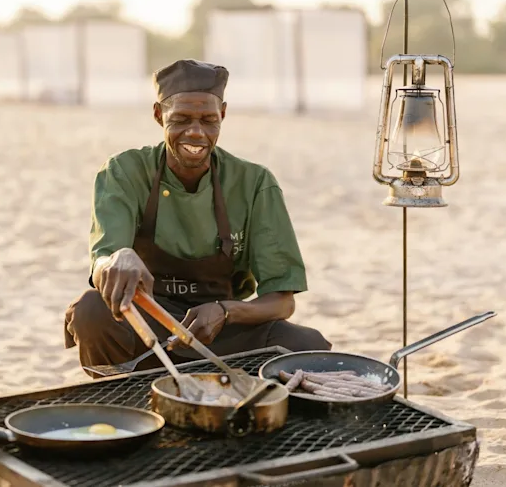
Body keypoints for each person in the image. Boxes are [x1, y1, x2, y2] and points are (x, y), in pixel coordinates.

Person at [64, 59, 331, 376]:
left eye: (208, 120)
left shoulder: (254, 183)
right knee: (90, 310)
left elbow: (282, 302)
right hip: (147, 324)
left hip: (218, 331)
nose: (195, 133)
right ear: (157, 115)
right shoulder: (124, 171)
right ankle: (116, 400)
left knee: (305, 345)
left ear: (223, 115)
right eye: (180, 120)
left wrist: (223, 312)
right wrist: (117, 258)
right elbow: (101, 264)